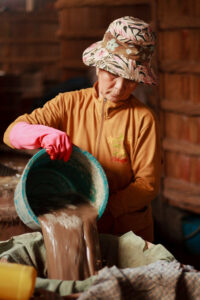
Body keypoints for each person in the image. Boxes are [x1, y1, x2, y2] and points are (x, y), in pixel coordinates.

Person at [3, 16, 161, 242]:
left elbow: (148, 185)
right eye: (113, 75)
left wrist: (102, 208)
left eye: (130, 80)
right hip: (74, 230)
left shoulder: (143, 119)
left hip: (127, 232)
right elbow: (11, 133)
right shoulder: (68, 104)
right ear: (99, 66)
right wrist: (43, 134)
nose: (119, 88)